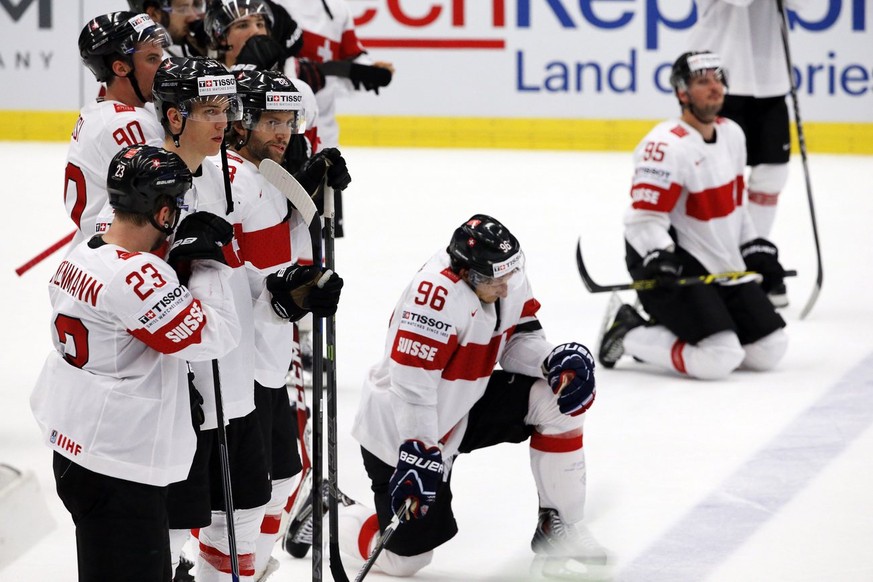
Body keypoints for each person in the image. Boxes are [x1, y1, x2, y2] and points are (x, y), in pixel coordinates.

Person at [300, 214, 605, 576]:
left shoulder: (502, 275)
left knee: (558, 402)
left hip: (463, 404)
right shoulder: (434, 296)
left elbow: (518, 338)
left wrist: (550, 361)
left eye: (511, 273)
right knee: (406, 560)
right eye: (498, 280)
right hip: (402, 430)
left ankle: (560, 527)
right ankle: (325, 509)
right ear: (467, 273)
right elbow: (413, 385)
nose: (508, 287)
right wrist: (418, 450)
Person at [30, 144, 241, 582]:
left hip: (76, 447)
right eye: (179, 206)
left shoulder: (82, 253)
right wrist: (207, 264)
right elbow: (214, 335)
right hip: (118, 464)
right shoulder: (138, 277)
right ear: (164, 214)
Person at [598, 51, 788, 380]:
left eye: (718, 79)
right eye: (703, 81)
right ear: (682, 93)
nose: (715, 88)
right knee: (718, 357)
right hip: (672, 263)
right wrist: (659, 254)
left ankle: (688, 323)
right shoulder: (664, 146)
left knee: (769, 349)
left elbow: (735, 204)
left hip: (721, 264)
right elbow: (643, 218)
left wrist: (752, 245)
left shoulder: (733, 134)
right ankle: (627, 331)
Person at [225, 67, 347, 579]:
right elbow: (231, 286)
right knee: (241, 498)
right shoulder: (226, 182)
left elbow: (289, 260)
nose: (282, 132)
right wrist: (288, 299)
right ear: (240, 122)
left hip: (272, 356)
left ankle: (255, 565)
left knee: (284, 479)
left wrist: (315, 200)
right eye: (270, 121)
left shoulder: (271, 176)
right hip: (237, 367)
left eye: (288, 121)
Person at [688, 0, 811, 307]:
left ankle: (754, 257)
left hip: (771, 79)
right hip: (716, 77)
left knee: (772, 174)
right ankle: (721, 262)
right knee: (716, 178)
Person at [276, 0, 396, 237]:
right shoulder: (269, 6)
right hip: (279, 138)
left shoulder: (336, 9)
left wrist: (368, 70)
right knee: (280, 231)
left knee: (320, 241)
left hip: (324, 141)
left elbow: (351, 56)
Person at [66, 11, 170, 248]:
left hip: (96, 246)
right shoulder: (128, 125)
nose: (165, 67)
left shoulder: (99, 111)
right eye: (153, 59)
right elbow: (166, 192)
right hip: (124, 251)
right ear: (121, 68)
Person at [127, 0, 209, 57]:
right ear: (153, 14)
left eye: (196, 5)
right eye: (183, 8)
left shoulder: (181, 52)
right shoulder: (146, 66)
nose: (193, 16)